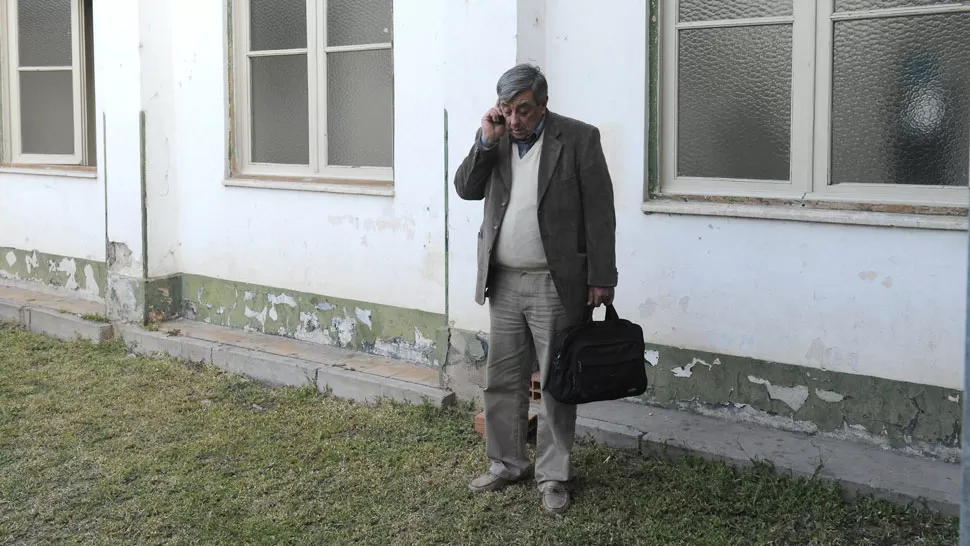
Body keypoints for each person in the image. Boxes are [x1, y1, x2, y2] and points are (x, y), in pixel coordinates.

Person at [453, 63, 617, 515]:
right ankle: (506, 464)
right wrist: (485, 140)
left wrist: (602, 277)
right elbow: (466, 189)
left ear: (543, 103)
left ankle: (554, 476)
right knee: (502, 381)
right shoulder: (497, 137)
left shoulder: (579, 139)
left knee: (555, 386)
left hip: (555, 283)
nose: (515, 119)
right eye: (507, 109)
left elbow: (600, 213)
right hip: (503, 281)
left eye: (523, 109)